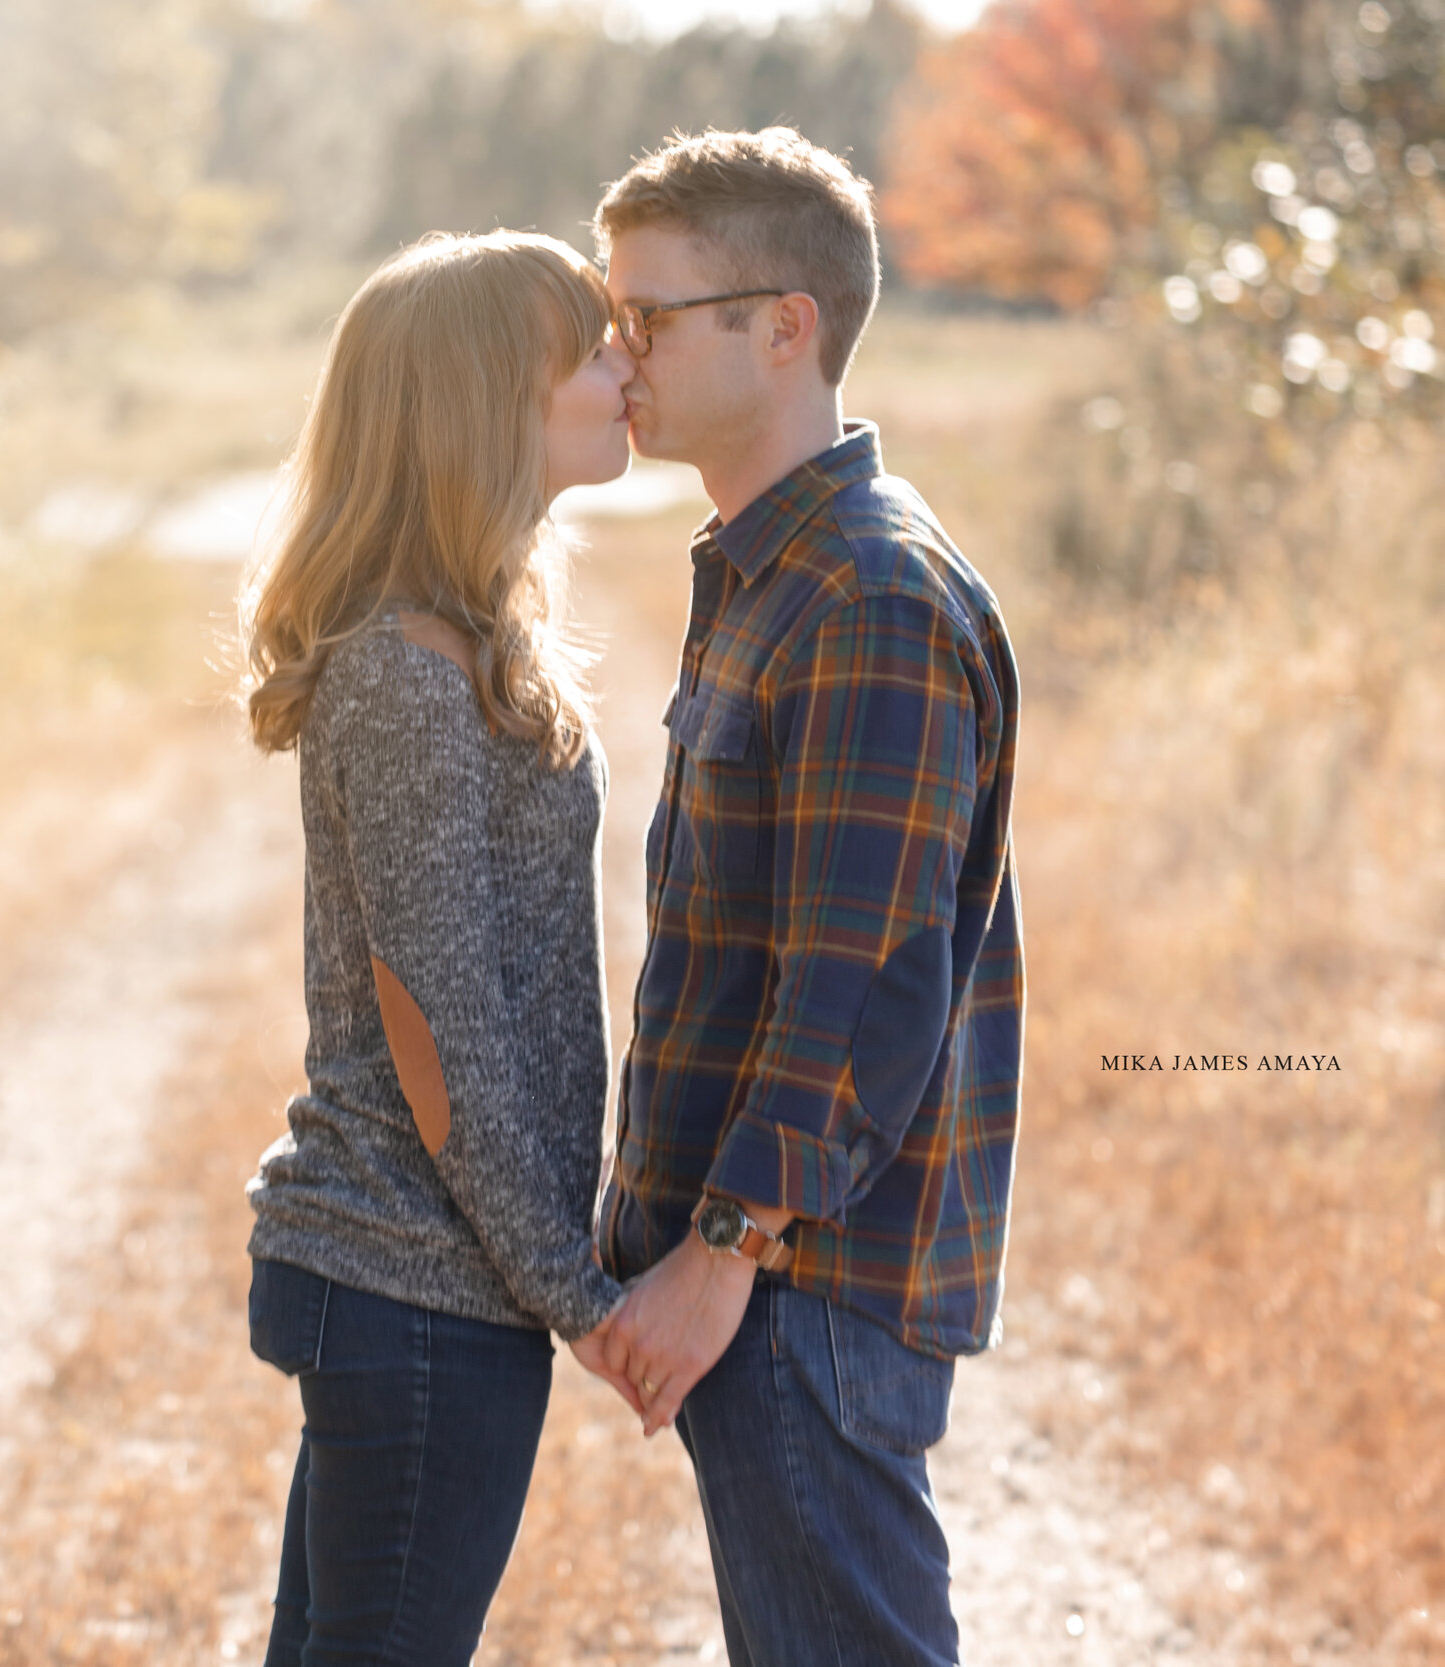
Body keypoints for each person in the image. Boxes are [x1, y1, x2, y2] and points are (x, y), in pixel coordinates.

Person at [570, 128, 1026, 1666]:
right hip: (773, 1281)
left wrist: (721, 1255)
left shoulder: (867, 595)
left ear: (786, 327)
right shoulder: (776, 572)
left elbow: (860, 981)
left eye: (648, 316)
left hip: (800, 1287)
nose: (615, 351)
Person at [235, 229, 636, 1666]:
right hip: (412, 1281)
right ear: (482, 403)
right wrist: (571, 1288)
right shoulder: (405, 680)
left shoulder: (462, 649)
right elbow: (435, 1017)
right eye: (589, 350)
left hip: (423, 1279)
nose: (625, 366)